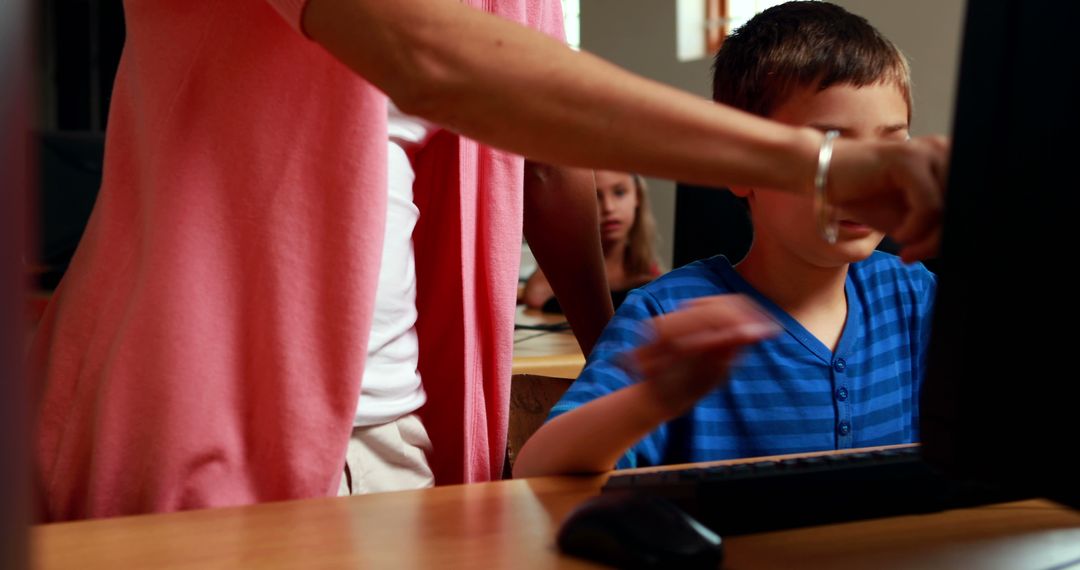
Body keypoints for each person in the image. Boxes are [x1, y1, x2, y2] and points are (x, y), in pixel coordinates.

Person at [31, 0, 948, 521]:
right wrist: (823, 165)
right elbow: (431, 56)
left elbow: (548, 161)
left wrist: (620, 356)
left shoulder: (908, 301)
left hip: (414, 419)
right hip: (205, 399)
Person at [514, 1, 938, 477]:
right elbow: (539, 468)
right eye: (830, 150)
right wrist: (656, 397)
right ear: (739, 166)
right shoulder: (667, 314)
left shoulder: (914, 296)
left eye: (889, 147)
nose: (866, 180)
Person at [523, 171, 662, 312]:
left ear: (637, 197)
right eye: (595, 196)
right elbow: (535, 295)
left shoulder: (644, 266)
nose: (609, 208)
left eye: (619, 193)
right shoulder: (570, 260)